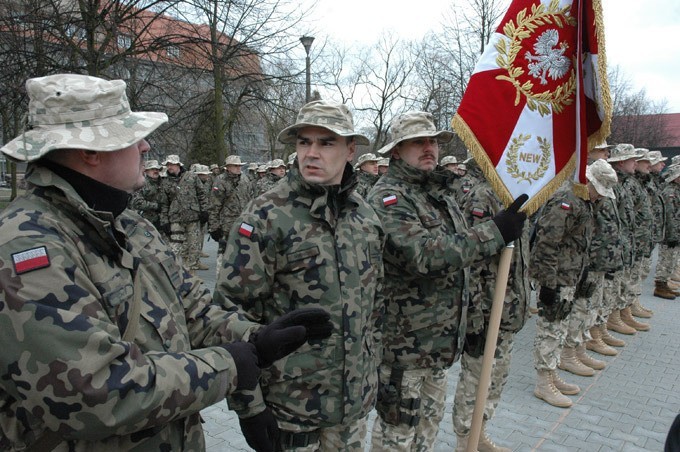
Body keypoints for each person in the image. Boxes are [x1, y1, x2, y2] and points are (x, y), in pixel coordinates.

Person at [0, 73, 332, 451]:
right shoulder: (27, 248)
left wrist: (256, 338)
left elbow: (194, 312)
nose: (146, 146)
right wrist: (233, 364)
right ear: (90, 152)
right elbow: (98, 393)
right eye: (131, 136)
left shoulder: (127, 224)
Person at [213, 100, 385, 451]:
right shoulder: (266, 215)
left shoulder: (364, 217)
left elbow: (376, 306)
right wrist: (249, 407)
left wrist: (374, 376)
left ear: (350, 149)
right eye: (304, 142)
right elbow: (229, 313)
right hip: (291, 410)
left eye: (326, 143)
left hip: (351, 409)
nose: (311, 153)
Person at [366, 111, 527, 451]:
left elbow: (461, 254)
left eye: (433, 141)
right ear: (396, 151)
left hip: (436, 346)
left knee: (426, 433)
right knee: (397, 438)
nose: (429, 148)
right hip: (404, 349)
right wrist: (494, 232)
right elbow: (425, 256)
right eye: (417, 142)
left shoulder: (437, 194)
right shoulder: (389, 198)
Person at [452, 157, 531, 452]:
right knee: (476, 379)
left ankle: (480, 432)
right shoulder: (483, 195)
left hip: (507, 309)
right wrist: (473, 316)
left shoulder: (514, 196)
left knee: (496, 378)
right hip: (486, 312)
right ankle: (466, 440)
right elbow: (470, 262)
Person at [530, 160, 617, 408]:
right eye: (598, 190)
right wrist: (547, 283)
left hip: (569, 276)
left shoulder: (584, 202)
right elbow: (546, 243)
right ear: (588, 182)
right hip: (556, 277)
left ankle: (553, 371)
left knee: (560, 327)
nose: (599, 196)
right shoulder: (566, 202)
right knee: (550, 329)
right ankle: (543, 381)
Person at [159, 153, 210, 272]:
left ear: (178, 165)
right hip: (175, 218)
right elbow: (164, 204)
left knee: (194, 247)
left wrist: (204, 211)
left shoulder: (191, 177)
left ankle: (191, 272)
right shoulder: (165, 182)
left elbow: (201, 194)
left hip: (193, 216)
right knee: (175, 248)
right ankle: (178, 272)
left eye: (172, 164)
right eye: (168, 165)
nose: (170, 167)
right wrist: (164, 221)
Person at [208, 154, 251, 271]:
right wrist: (214, 227)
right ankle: (221, 281)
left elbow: (250, 200)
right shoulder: (220, 181)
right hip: (226, 225)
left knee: (244, 252)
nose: (238, 168)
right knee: (224, 255)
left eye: (239, 166)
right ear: (228, 167)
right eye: (235, 166)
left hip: (244, 223)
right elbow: (214, 206)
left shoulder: (245, 179)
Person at [130, 159, 165, 232]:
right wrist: (156, 206)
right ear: (146, 171)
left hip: (163, 221)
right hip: (146, 222)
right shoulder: (141, 184)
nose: (155, 171)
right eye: (152, 169)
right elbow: (137, 203)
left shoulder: (164, 183)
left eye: (157, 169)